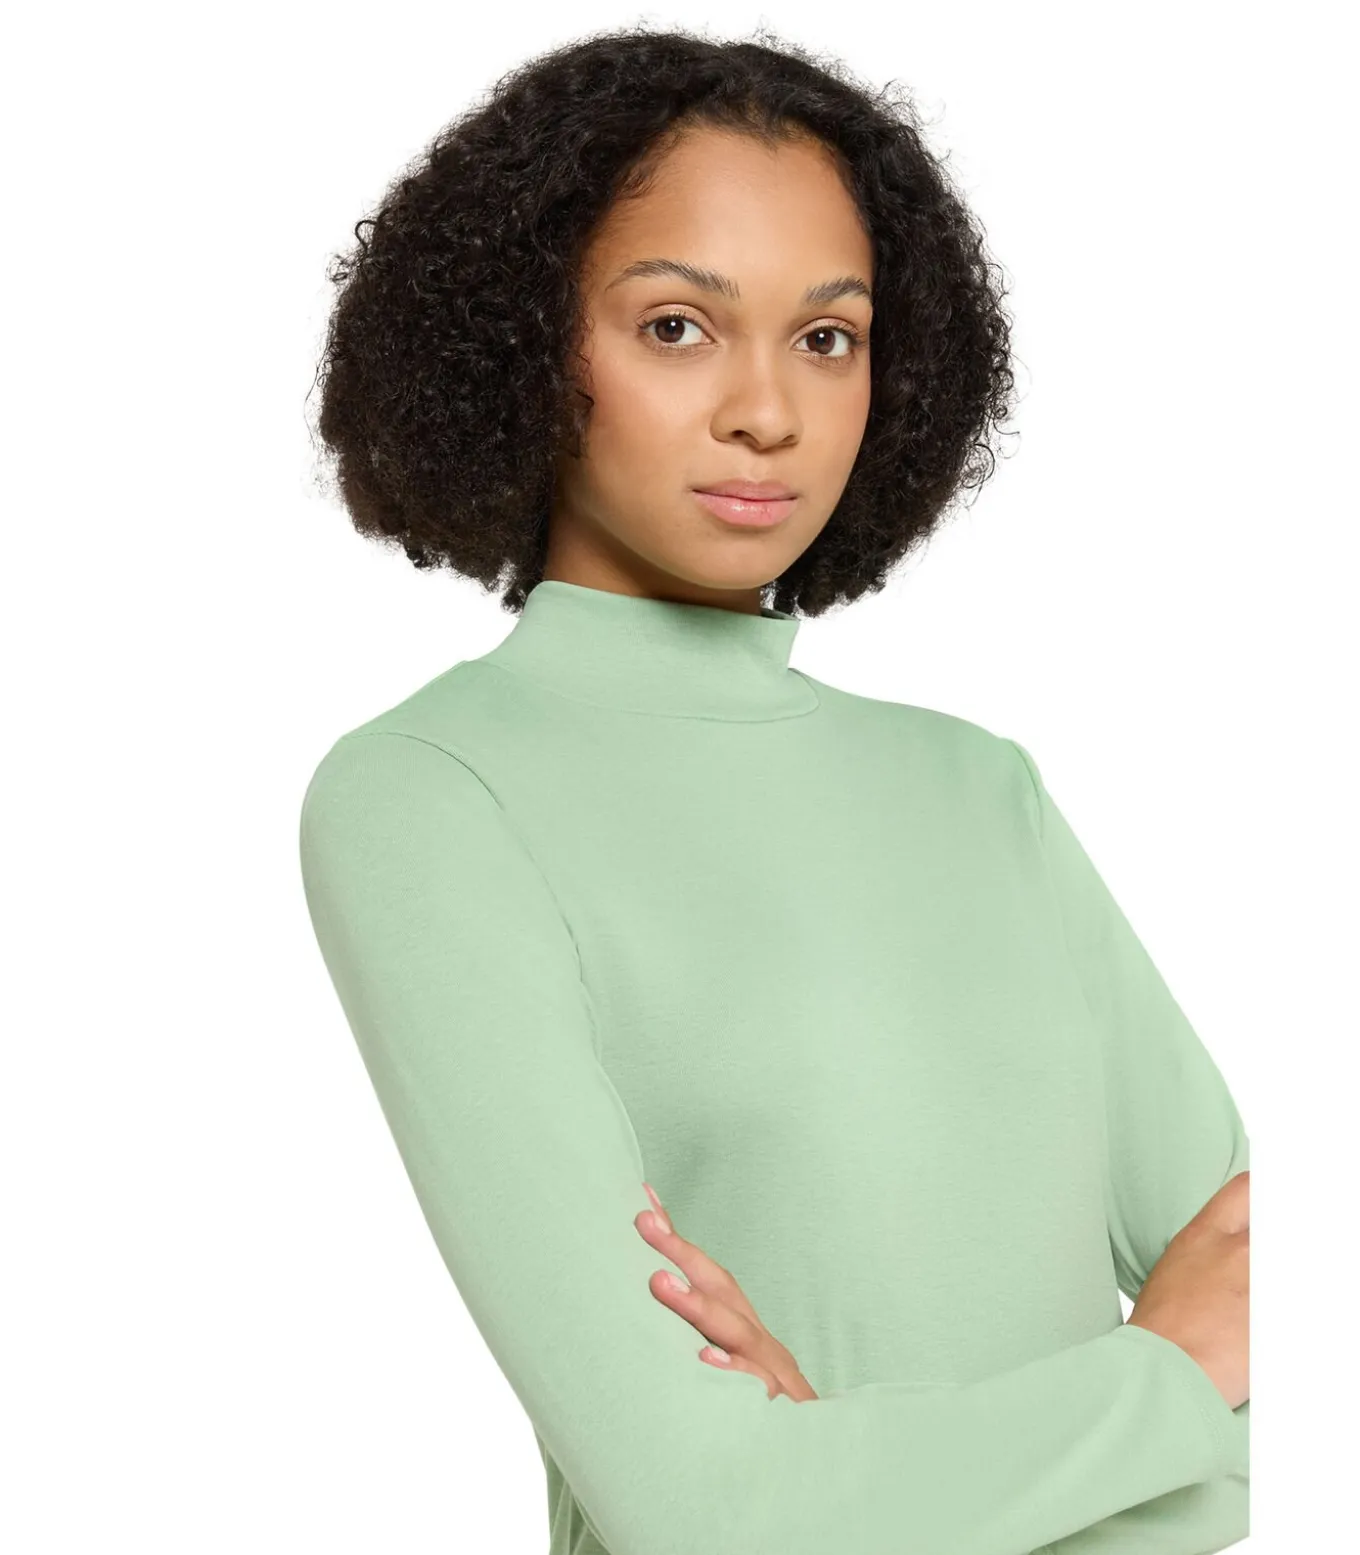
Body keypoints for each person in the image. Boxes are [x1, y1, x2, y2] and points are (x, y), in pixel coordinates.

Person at [298, 25, 1250, 1555]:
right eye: (677, 326)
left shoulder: (977, 787)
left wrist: (856, 1477)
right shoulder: (430, 797)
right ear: (526, 346)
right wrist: (1173, 1385)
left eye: (827, 336)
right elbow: (706, 1511)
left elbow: (1279, 1325)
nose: (769, 411)